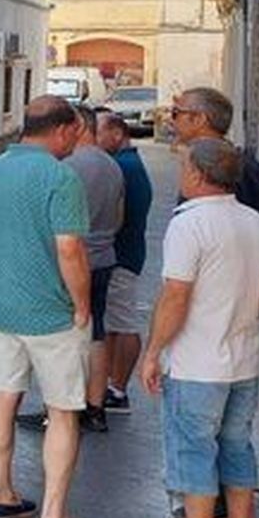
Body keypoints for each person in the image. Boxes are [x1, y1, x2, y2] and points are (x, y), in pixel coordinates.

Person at [131, 138, 259, 518]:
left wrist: (153, 352)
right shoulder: (255, 222)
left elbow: (176, 295)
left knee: (192, 452)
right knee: (236, 450)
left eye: (184, 165)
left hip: (196, 363)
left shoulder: (189, 224)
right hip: (243, 360)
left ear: (197, 174)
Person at [0, 96, 101, 518]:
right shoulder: (59, 176)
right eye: (76, 132)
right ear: (64, 129)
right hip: (51, 315)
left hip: (3, 309)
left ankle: (1, 492)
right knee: (64, 411)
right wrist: (82, 304)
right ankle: (54, 517)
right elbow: (70, 249)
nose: (78, 139)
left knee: (4, 398)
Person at [17, 105, 123, 435]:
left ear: (75, 127)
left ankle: (59, 409)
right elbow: (120, 217)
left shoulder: (67, 168)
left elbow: (56, 228)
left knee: (63, 338)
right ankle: (95, 407)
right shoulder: (111, 165)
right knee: (97, 333)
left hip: (73, 262)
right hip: (105, 256)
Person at [171, 86, 259, 283]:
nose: (170, 120)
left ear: (199, 119)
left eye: (176, 113)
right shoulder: (243, 165)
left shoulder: (222, 169)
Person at [96, 112, 152, 415]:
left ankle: (117, 389)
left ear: (117, 134)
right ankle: (111, 385)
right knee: (115, 324)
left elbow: (115, 216)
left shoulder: (121, 167)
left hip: (121, 256)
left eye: (99, 132)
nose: (94, 138)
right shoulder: (129, 164)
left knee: (122, 322)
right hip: (126, 253)